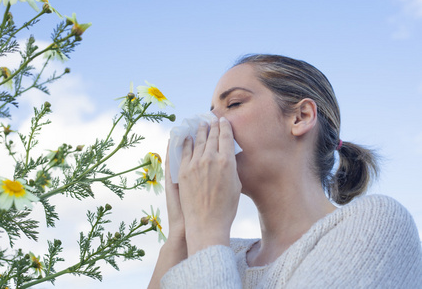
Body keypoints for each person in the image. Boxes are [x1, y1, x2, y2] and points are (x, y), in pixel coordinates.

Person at [148, 55, 422, 288]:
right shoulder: (222, 250)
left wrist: (207, 235)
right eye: (211, 111)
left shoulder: (376, 225)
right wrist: (181, 236)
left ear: (300, 117)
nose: (207, 125)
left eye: (233, 104)